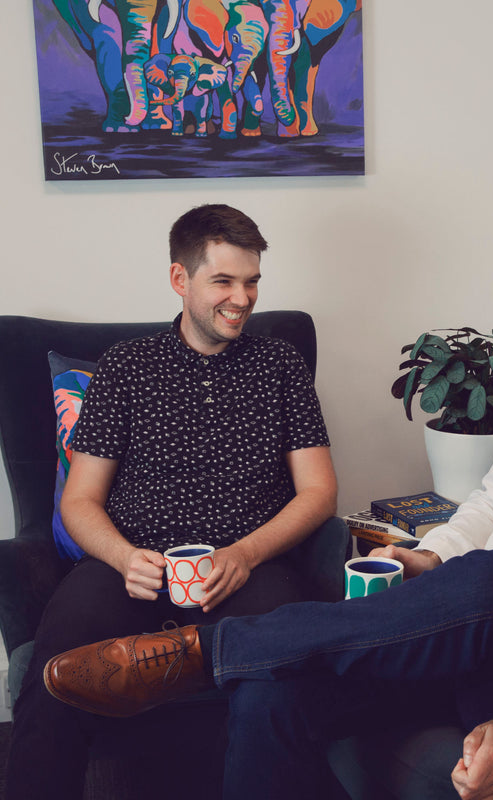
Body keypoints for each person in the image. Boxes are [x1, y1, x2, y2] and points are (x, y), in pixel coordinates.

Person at [42, 197, 493, 800]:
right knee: (272, 694)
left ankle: (204, 649)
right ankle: (239, 658)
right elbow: (491, 503)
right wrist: (425, 562)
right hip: (468, 627)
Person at [7, 204, 337, 800]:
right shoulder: (126, 368)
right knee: (57, 670)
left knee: (279, 674)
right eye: (224, 281)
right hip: (130, 568)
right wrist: (122, 556)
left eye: (253, 280)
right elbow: (80, 501)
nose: (243, 298)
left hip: (250, 568)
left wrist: (244, 553)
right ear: (180, 280)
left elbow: (319, 491)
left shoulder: (280, 366)